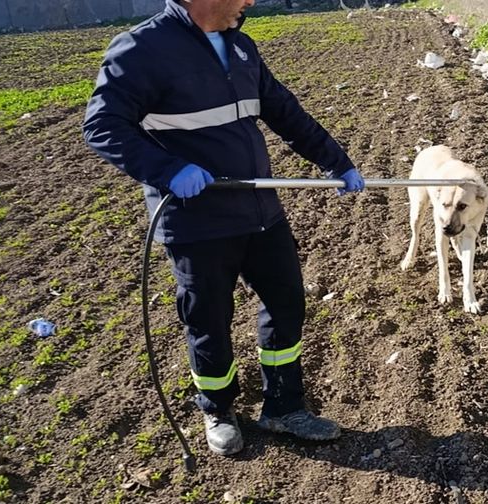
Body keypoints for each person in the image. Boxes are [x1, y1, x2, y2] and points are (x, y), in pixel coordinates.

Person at [83, 0, 364, 456]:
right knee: (209, 321)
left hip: (260, 212)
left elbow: (286, 114)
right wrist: (168, 169)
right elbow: (103, 126)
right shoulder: (141, 49)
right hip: (196, 222)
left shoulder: (242, 48)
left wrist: (337, 162)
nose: (250, 1)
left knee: (286, 302)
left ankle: (283, 406)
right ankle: (217, 408)